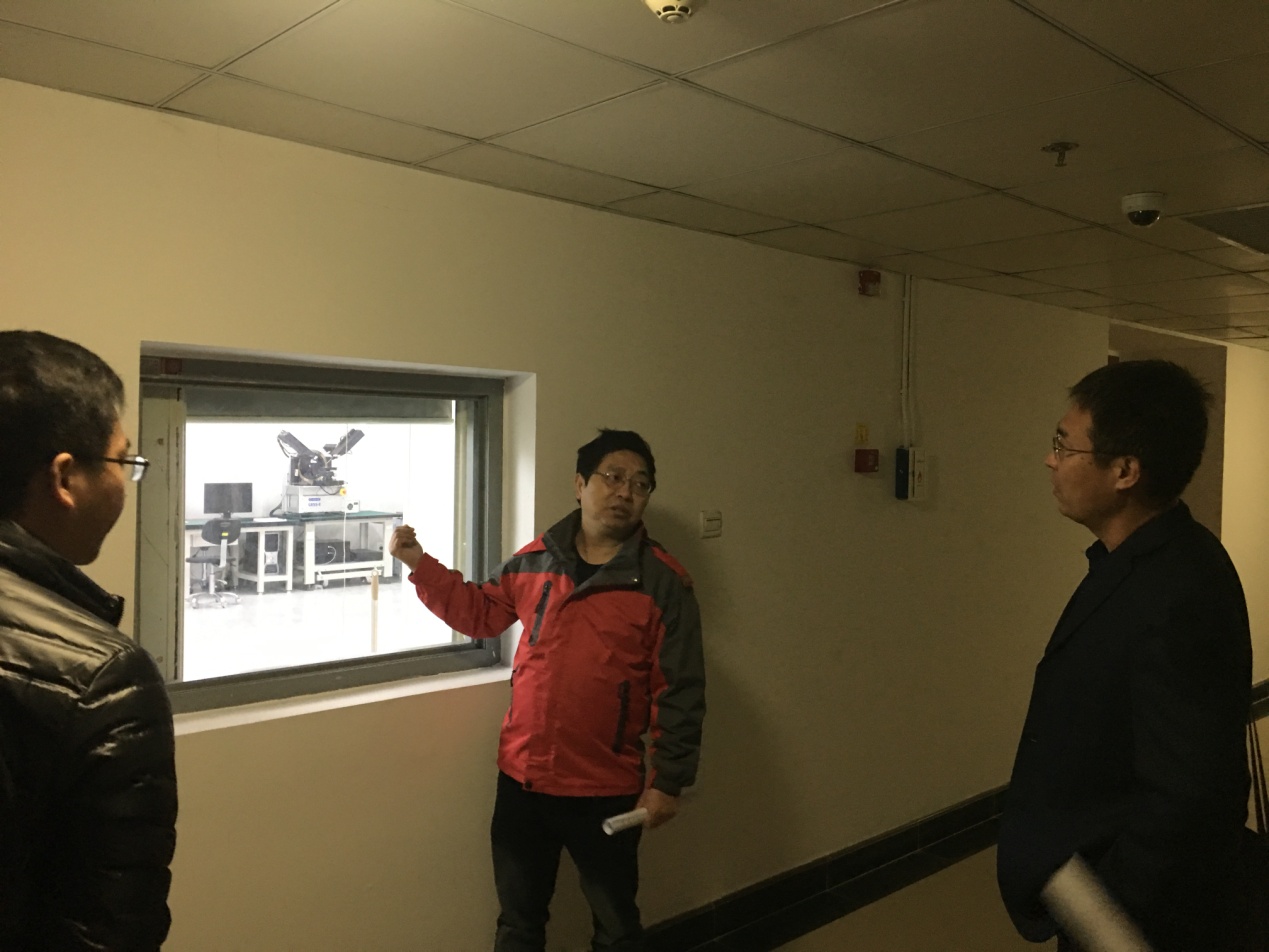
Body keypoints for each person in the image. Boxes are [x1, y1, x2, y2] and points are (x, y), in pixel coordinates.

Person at [390, 428, 704, 952]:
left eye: (640, 484)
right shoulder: (536, 560)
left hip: (605, 787)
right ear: (580, 485)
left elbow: (681, 688)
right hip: (524, 780)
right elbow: (481, 612)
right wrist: (421, 565)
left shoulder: (661, 581)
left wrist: (668, 781)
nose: (626, 492)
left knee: (616, 926)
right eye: (613, 477)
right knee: (518, 923)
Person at [997, 359, 1252, 951]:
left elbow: (1190, 792)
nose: (1050, 460)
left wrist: (1106, 910)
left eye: (1064, 445)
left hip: (1132, 919)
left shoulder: (1180, 590)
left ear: (1125, 471)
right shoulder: (1137, 562)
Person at [0, 330, 178, 950]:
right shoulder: (101, 677)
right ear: (64, 477)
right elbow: (108, 931)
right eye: (124, 462)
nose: (127, 483)